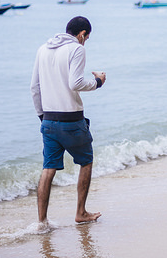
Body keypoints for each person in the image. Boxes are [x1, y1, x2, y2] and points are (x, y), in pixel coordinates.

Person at [30, 16, 106, 225]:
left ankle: (42, 222)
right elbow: (76, 82)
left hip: (48, 119)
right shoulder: (77, 49)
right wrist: (98, 82)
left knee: (48, 169)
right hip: (71, 120)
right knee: (86, 161)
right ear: (82, 34)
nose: (85, 42)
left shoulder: (42, 49)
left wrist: (42, 117)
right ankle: (81, 213)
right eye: (86, 38)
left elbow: (34, 88)